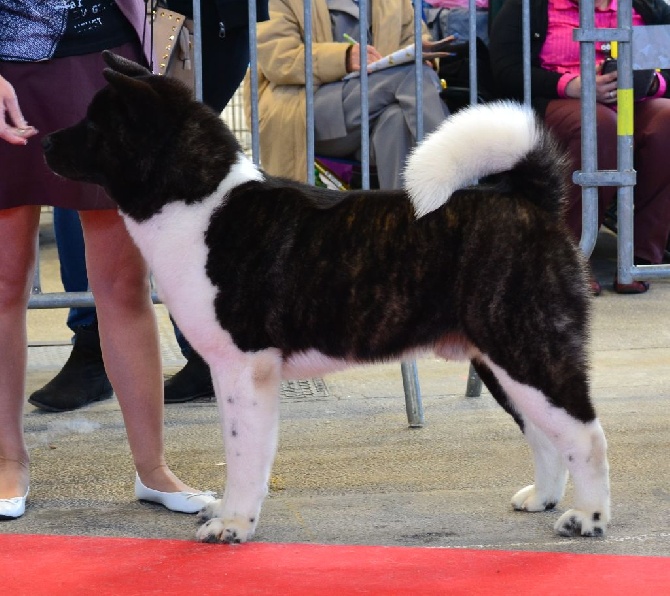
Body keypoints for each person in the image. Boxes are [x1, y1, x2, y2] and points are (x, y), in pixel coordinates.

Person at [0, 0, 215, 519]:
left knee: (123, 286)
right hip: (7, 66)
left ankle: (153, 468)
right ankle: (7, 461)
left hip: (106, 61)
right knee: (4, 284)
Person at [27, 0, 271, 412]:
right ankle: (94, 341)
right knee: (88, 165)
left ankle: (203, 343)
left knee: (176, 180)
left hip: (200, 23)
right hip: (91, 23)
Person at [489, 0, 670, 294]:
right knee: (598, 125)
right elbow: (506, 72)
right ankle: (567, 258)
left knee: (667, 121)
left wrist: (652, 84)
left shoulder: (645, 7)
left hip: (630, 102)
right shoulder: (531, 7)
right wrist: (572, 84)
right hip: (562, 99)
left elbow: (668, 68)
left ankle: (640, 258)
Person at [249, 0, 450, 188]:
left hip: (376, 107)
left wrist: (423, 54)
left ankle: (411, 221)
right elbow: (279, 58)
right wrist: (343, 57)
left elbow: (414, 36)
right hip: (306, 110)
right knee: (415, 76)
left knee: (396, 122)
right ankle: (455, 181)